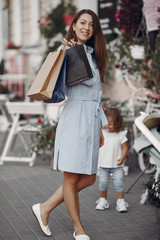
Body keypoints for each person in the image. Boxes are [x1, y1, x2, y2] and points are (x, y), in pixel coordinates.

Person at [31, 9, 108, 240]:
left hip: (92, 120)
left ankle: (44, 207)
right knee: (71, 178)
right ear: (73, 25)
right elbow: (58, 87)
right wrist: (62, 51)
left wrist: (102, 126)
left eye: (91, 24)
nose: (86, 27)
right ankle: (78, 229)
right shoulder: (67, 52)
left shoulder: (93, 55)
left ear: (95, 30)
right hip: (75, 119)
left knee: (90, 177)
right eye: (82, 22)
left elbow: (97, 96)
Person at [96, 107, 128, 213]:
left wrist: (122, 158)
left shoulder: (120, 135)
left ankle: (121, 201)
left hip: (117, 166)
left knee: (119, 183)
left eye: (110, 123)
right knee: (103, 183)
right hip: (103, 165)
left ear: (117, 123)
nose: (107, 126)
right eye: (105, 123)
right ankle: (102, 200)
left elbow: (125, 148)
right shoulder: (102, 133)